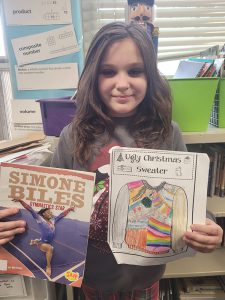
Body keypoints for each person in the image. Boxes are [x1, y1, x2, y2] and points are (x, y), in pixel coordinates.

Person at [0, 22, 223, 299]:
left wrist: (207, 224)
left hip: (146, 277)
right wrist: (16, 223)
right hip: (92, 277)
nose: (122, 83)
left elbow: (193, 204)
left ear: (150, 76)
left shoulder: (168, 133)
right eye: (108, 72)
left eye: (135, 71)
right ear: (94, 77)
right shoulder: (73, 136)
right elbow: (47, 206)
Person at [12, 199, 74, 276]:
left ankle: (35, 241)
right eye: (49, 212)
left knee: (45, 243)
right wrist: (21, 201)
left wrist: (69, 209)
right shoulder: (39, 219)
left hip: (45, 240)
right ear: (44, 214)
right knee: (50, 248)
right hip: (44, 243)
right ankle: (48, 266)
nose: (51, 213)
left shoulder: (53, 221)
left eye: (51, 212)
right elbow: (30, 209)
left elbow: (62, 215)